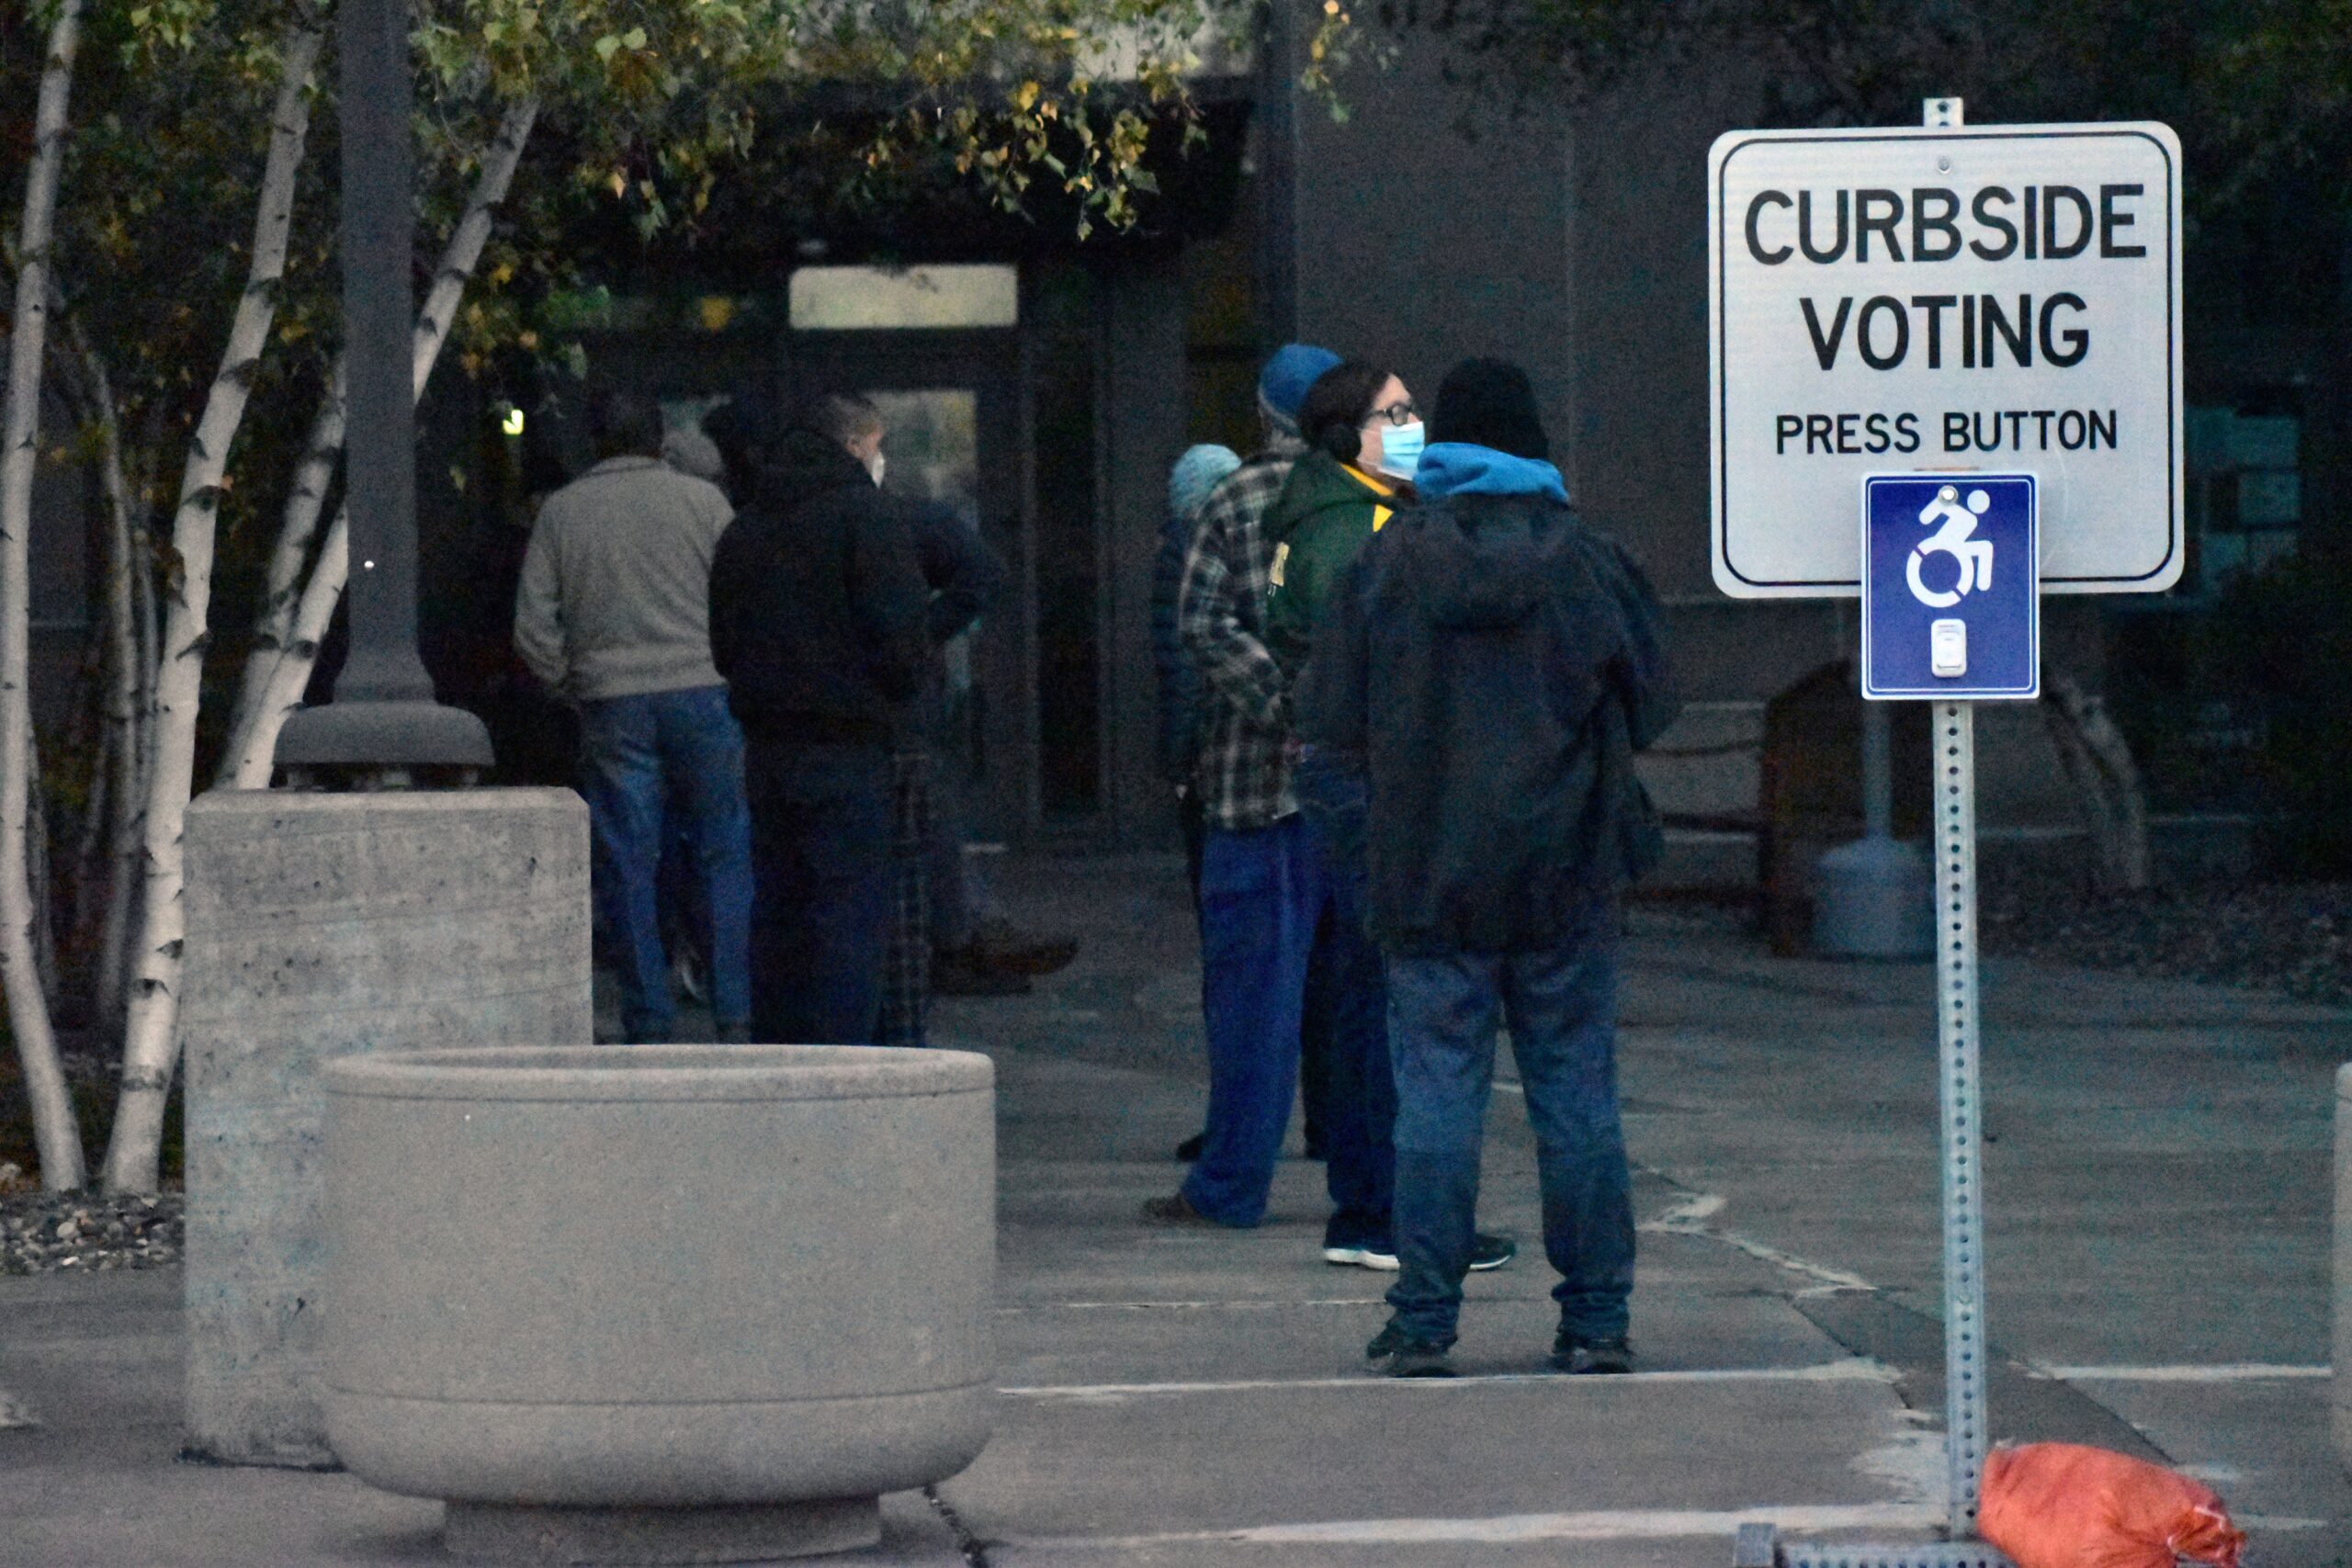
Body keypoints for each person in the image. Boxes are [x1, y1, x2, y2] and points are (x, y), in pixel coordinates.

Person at [1302, 357, 1677, 1378]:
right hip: (1566, 878)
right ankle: (1595, 1321)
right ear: (1536, 449)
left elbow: (1329, 735)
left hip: (1425, 878)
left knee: (1433, 1101)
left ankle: (1425, 1320)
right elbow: (1655, 707)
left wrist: (1370, 852)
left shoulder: (1381, 570)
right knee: (1576, 1097)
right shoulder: (1593, 564)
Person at [1269, 360, 1519, 1274]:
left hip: (1349, 774)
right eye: (1396, 413)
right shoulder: (1362, 529)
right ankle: (1380, 1211)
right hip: (1378, 779)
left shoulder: (1321, 516)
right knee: (1387, 1001)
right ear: (1348, 435)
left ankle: (1369, 1202)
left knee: (1359, 989)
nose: (1412, 427)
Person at [513, 385, 752, 1044]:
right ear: (660, 439)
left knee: (626, 860)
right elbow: (744, 598)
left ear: (593, 441)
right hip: (704, 691)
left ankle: (648, 1012)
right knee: (722, 850)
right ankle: (735, 1006)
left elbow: (534, 625)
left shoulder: (563, 512)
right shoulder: (705, 503)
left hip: (611, 698)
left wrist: (571, 682)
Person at [708, 392, 931, 1044]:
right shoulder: (868, 518)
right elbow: (901, 645)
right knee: (849, 918)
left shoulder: (744, 529)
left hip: (767, 746)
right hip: (850, 745)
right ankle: (842, 1064)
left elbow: (723, 647)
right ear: (853, 445)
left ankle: (779, 1055)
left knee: (779, 910)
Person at [877, 497, 1009, 1043]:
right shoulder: (1276, 529)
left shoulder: (1272, 527)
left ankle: (959, 932)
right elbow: (1271, 599)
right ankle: (958, 934)